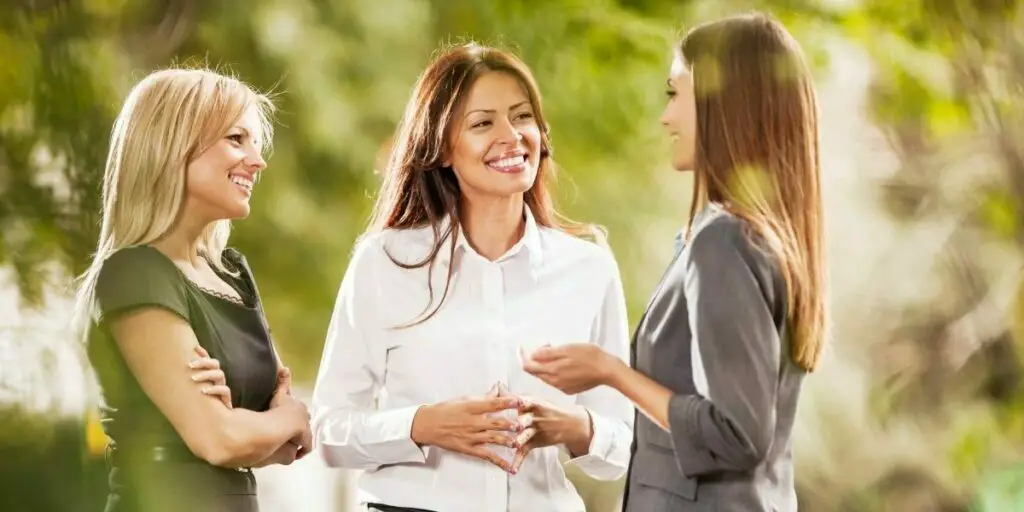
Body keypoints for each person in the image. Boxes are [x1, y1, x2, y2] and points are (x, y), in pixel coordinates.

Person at [523, 13, 828, 512]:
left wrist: (610, 371)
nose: (666, 117)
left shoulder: (724, 244)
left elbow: (738, 434)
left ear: (723, 103)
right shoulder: (750, 238)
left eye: (675, 93)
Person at [311, 43, 634, 512]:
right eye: (483, 123)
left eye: (522, 117)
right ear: (442, 149)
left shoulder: (588, 269)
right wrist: (423, 425)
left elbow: (622, 447)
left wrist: (570, 426)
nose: (512, 135)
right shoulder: (385, 262)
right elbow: (329, 431)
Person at [74, 68, 313, 512]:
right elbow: (221, 441)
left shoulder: (232, 273)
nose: (257, 161)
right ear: (171, 146)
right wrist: (282, 417)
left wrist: (258, 424)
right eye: (236, 139)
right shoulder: (135, 272)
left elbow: (290, 446)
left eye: (256, 143)